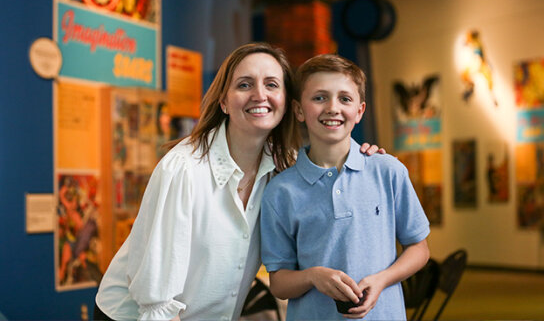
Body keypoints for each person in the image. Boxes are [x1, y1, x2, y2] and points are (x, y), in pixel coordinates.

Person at [94, 43, 384, 321]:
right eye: (244, 84)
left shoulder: (286, 168)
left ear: (287, 102)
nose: (260, 95)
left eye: (272, 84)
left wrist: (365, 159)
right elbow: (157, 300)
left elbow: (331, 177)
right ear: (224, 101)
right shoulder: (184, 168)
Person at [260, 54, 430, 320]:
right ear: (299, 110)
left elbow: (419, 248)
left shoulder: (388, 170)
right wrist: (313, 276)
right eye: (319, 98)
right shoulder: (280, 192)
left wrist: (383, 279)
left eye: (345, 98)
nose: (332, 108)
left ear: (360, 111)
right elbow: (280, 283)